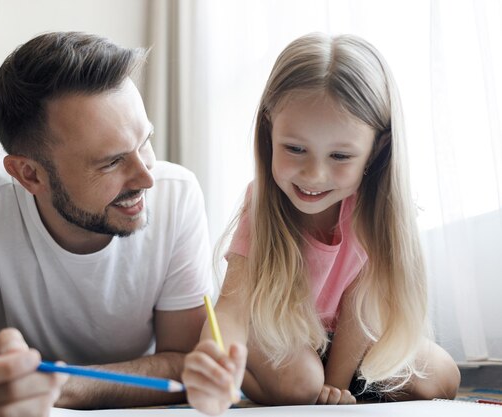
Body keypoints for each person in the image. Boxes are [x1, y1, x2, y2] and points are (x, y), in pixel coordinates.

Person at [0, 32, 213, 416]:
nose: (146, 177)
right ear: (29, 175)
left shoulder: (177, 195)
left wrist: (59, 386)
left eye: (145, 142)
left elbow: (186, 363)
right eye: (111, 161)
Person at [181, 32, 461, 416]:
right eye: (295, 149)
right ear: (269, 130)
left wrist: (337, 384)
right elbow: (231, 309)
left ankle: (326, 383)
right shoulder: (262, 201)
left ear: (376, 149)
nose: (313, 175)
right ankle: (256, 372)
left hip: (341, 338)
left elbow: (360, 312)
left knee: (443, 376)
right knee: (302, 384)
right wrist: (216, 360)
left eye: (341, 155)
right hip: (276, 331)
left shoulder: (375, 209)